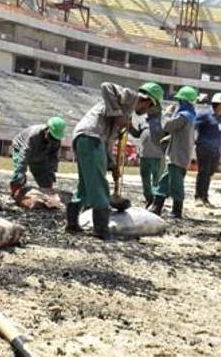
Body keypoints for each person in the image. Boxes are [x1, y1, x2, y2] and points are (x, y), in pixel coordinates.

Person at [68, 81, 163, 240]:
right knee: (99, 183)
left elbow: (109, 140)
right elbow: (106, 86)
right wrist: (118, 114)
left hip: (87, 138)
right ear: (147, 101)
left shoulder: (127, 112)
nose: (146, 112)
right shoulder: (130, 96)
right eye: (148, 108)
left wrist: (112, 164)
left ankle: (72, 223)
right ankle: (101, 229)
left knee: (86, 185)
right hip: (91, 136)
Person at [150, 85, 198, 218]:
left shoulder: (183, 116)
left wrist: (167, 113)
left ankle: (177, 211)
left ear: (183, 101)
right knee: (165, 181)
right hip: (181, 155)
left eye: (179, 101)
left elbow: (167, 126)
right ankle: (157, 206)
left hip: (177, 156)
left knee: (176, 184)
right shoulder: (191, 116)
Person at [8, 116, 66, 197]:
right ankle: (15, 192)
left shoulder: (56, 141)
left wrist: (52, 171)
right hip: (21, 147)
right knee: (19, 175)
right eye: (51, 137)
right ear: (46, 130)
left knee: (46, 179)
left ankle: (47, 194)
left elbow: (53, 157)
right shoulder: (33, 135)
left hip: (39, 153)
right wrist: (21, 172)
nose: (53, 140)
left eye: (55, 138)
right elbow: (24, 154)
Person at [193, 92, 221, 206]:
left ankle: (205, 197)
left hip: (216, 151)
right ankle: (198, 196)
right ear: (218, 105)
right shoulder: (205, 116)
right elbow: (192, 126)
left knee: (209, 173)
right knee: (203, 172)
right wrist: (195, 140)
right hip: (204, 148)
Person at [129, 111, 165, 206]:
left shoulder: (161, 124)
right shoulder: (143, 123)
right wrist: (129, 126)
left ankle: (155, 198)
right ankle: (149, 198)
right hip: (144, 155)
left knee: (157, 179)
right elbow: (136, 134)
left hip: (157, 156)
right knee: (146, 179)